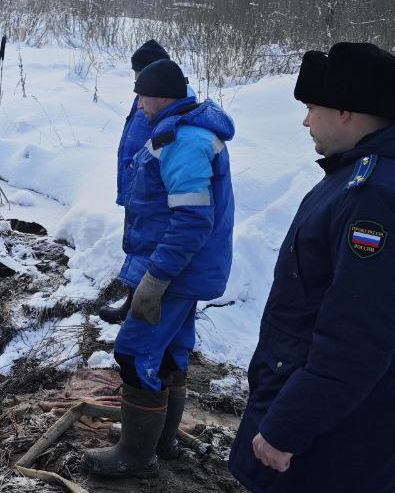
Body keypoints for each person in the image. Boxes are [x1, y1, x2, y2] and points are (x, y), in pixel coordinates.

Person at [228, 43, 395, 493]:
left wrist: (288, 427)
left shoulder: (378, 199)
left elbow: (356, 340)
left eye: (312, 107)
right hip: (337, 420)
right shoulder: (378, 177)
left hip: (333, 441)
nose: (305, 120)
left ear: (345, 112)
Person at [84, 58, 235, 479]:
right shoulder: (182, 128)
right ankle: (162, 442)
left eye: (141, 94)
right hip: (181, 268)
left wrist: (156, 278)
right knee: (170, 351)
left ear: (159, 95)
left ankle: (135, 454)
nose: (138, 103)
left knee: (133, 353)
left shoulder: (184, 140)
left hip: (176, 270)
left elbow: (191, 221)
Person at [99, 39, 172, 324]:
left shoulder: (162, 96)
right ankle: (132, 300)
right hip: (135, 183)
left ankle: (136, 307)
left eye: (139, 73)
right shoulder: (145, 94)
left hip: (148, 188)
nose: (136, 80)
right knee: (134, 242)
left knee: (144, 246)